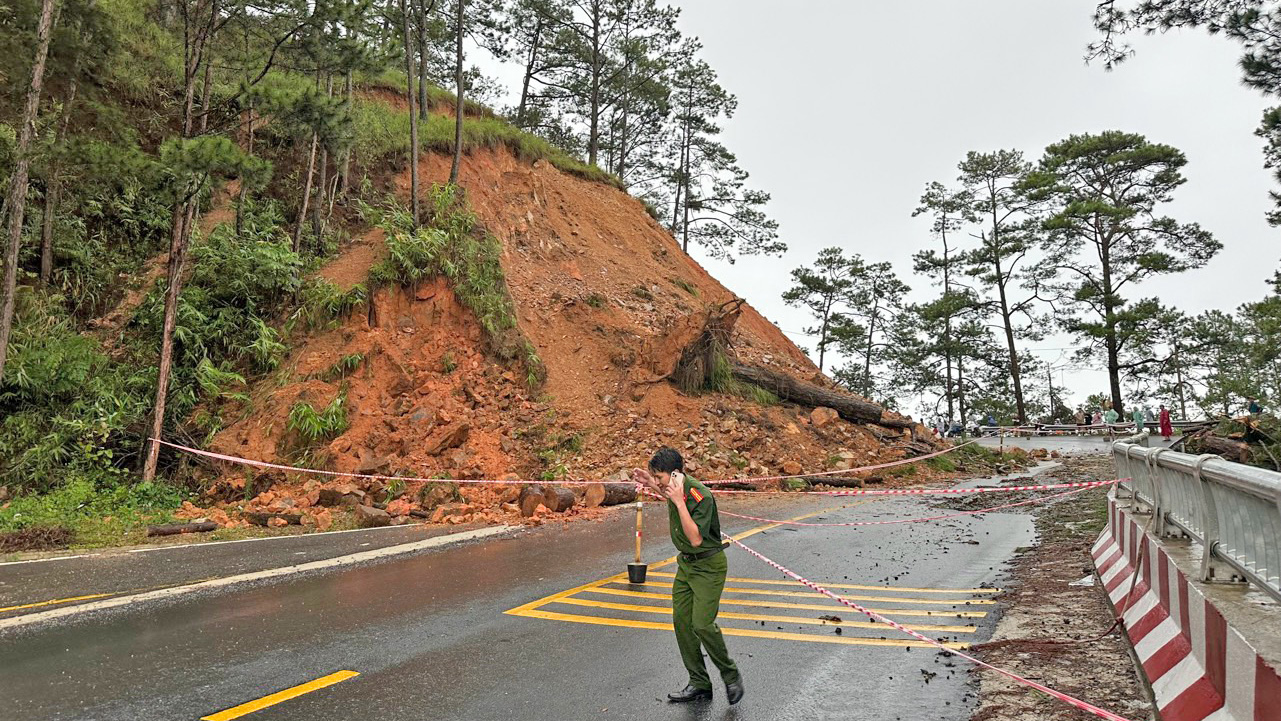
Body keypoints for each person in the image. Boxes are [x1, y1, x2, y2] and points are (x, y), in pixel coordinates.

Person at [633, 448, 743, 705]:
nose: (658, 482)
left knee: (702, 625)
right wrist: (651, 483)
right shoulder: (674, 487)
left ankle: (731, 675)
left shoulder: (698, 495)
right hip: (686, 566)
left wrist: (680, 502)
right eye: (654, 477)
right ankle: (699, 683)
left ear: (675, 474)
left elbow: (695, 539)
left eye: (659, 476)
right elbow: (668, 494)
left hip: (708, 566)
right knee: (682, 623)